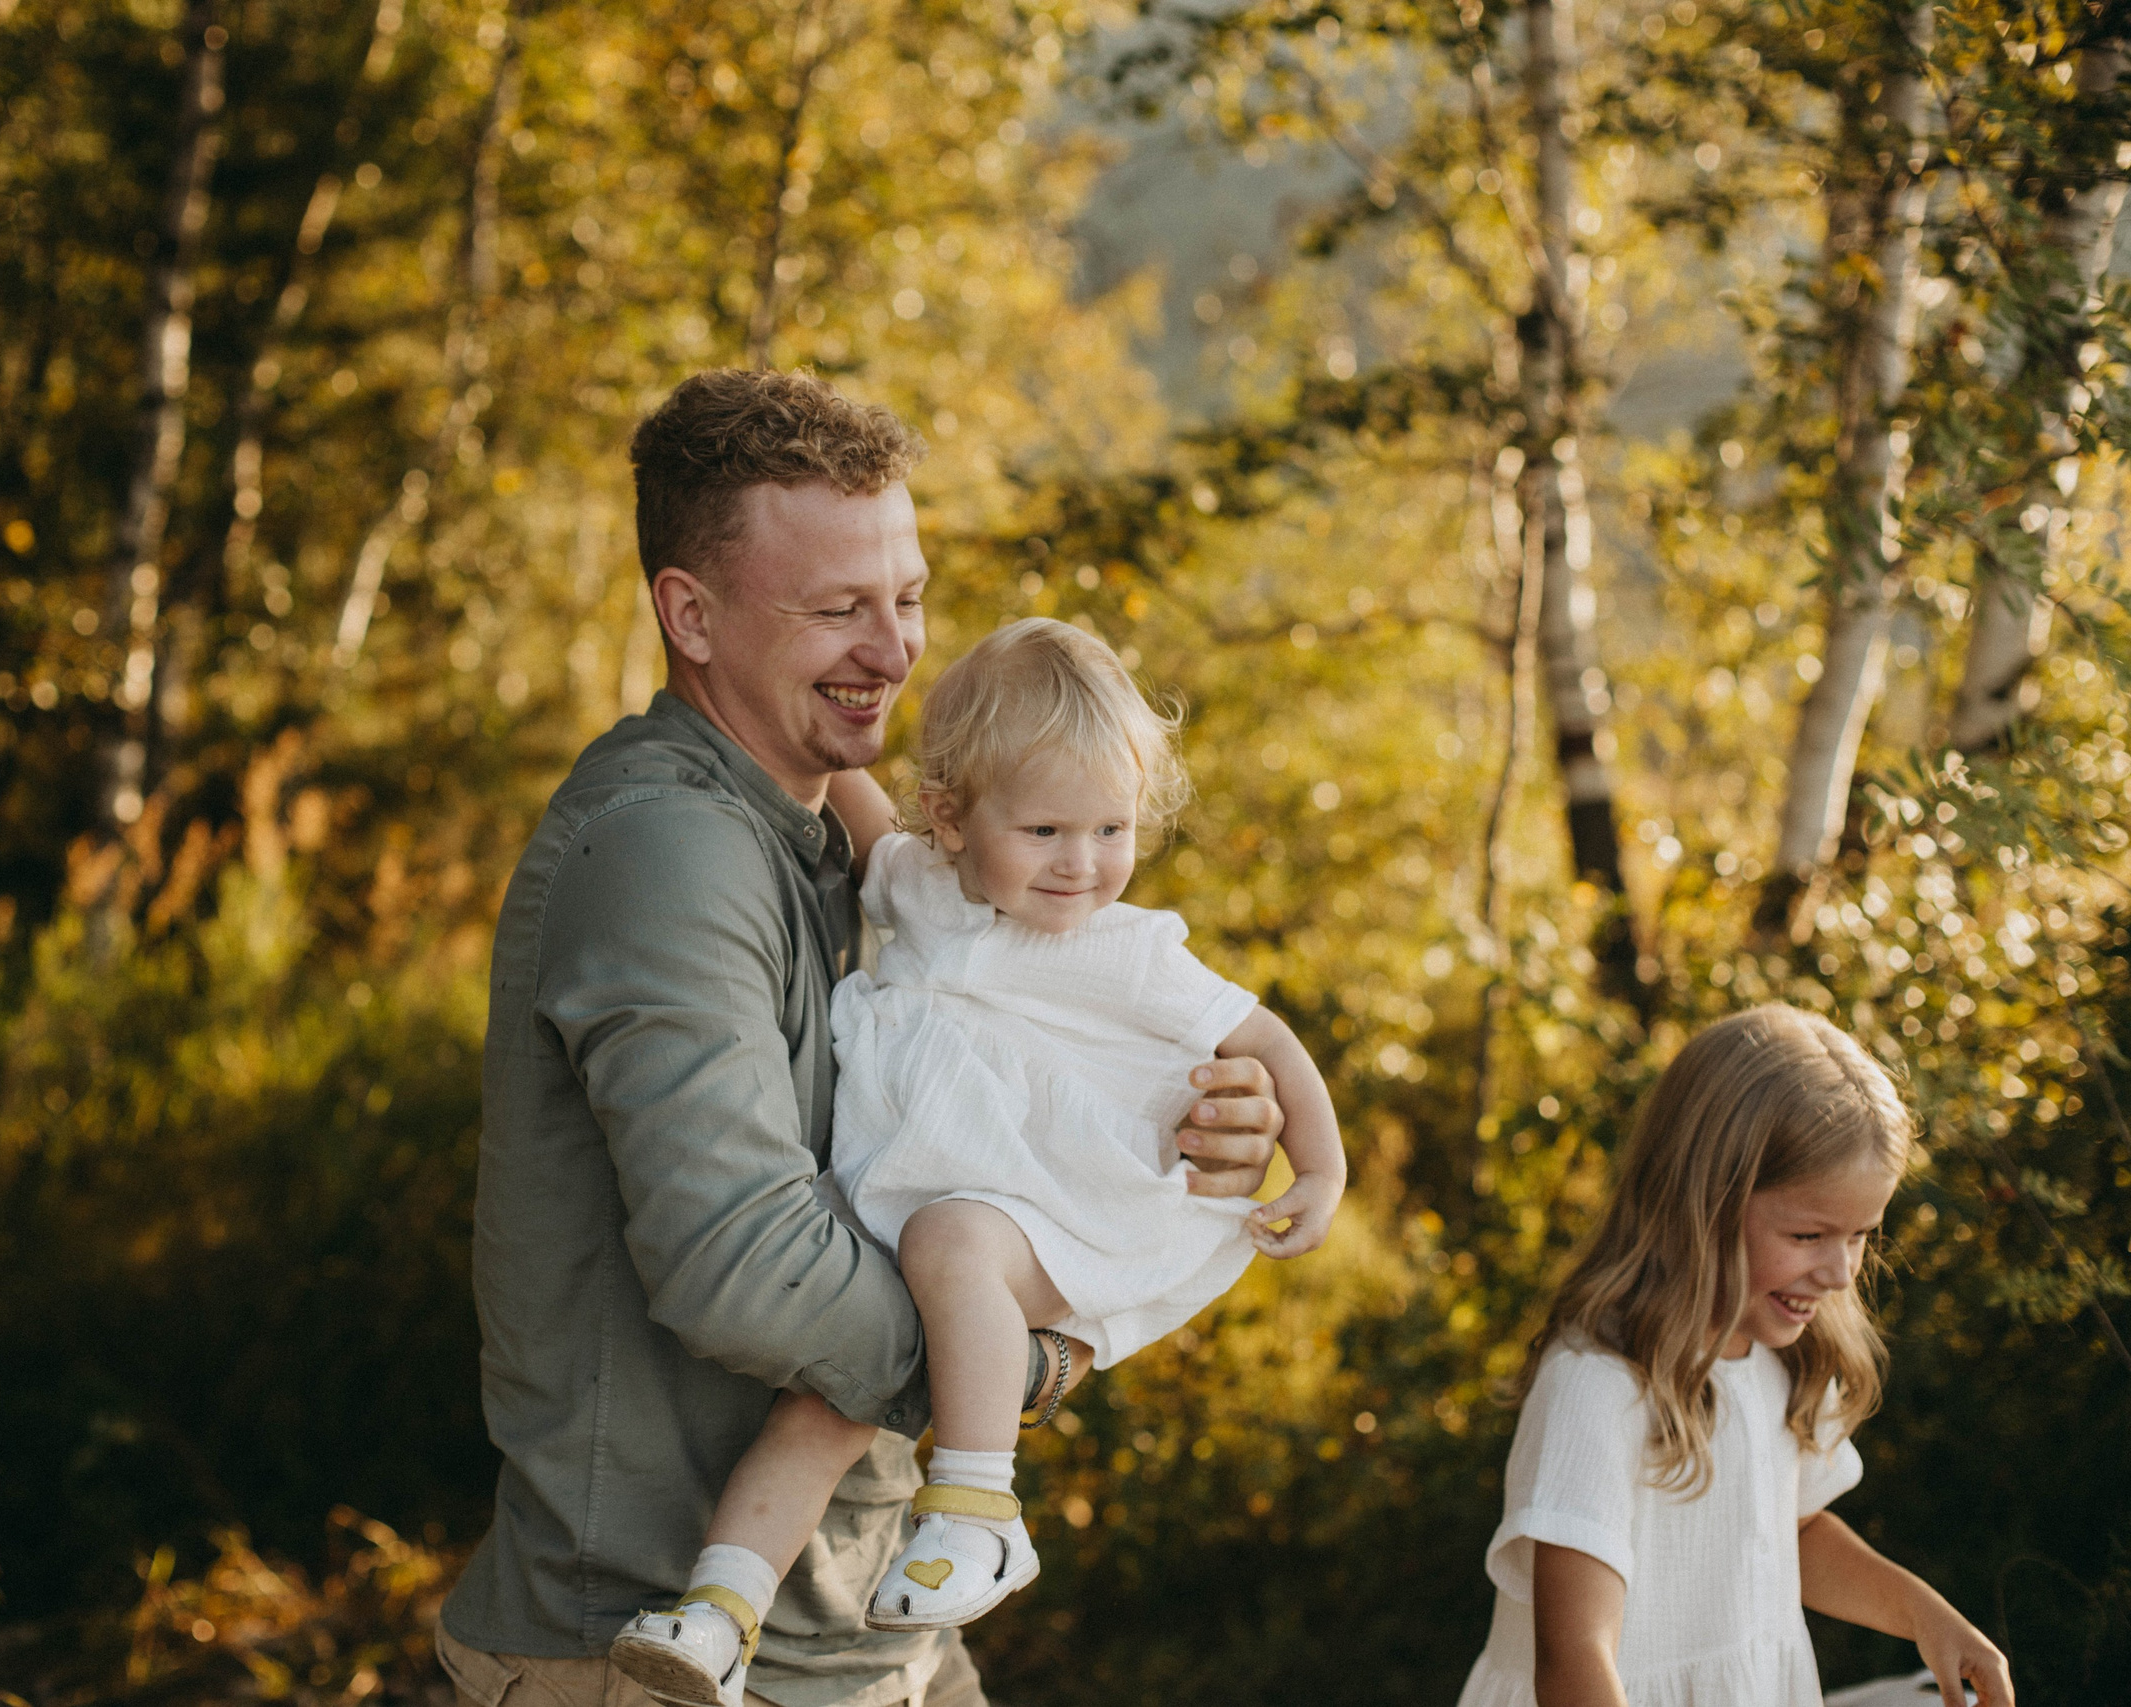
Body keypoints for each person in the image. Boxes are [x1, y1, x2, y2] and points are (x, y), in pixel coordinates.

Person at [432, 368, 1287, 1707]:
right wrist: (1031, 1350)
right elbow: (740, 1260)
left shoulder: (849, 834)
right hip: (652, 1652)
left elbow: (991, 1087)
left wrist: (1187, 1126)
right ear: (691, 614)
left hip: (865, 1629)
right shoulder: (667, 850)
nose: (892, 649)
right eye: (839, 609)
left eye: (907, 598)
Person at [607, 619, 1348, 1707]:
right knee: (818, 1409)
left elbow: (1269, 1043)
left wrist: (1320, 1172)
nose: (1082, 863)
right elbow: (860, 804)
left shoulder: (1124, 950)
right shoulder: (919, 884)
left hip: (1046, 1212)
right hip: (913, 1217)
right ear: (952, 820)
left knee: (950, 1246)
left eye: (1109, 827)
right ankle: (717, 1614)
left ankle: (979, 1508)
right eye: (1045, 828)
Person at [1455, 1004, 2014, 1707]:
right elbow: (1573, 1662)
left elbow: (1789, 1534)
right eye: (1809, 1235)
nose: (1841, 1272)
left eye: (1860, 1235)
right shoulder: (1597, 1383)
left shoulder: (1787, 1357)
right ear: (1703, 1204)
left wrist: (1923, 1613)